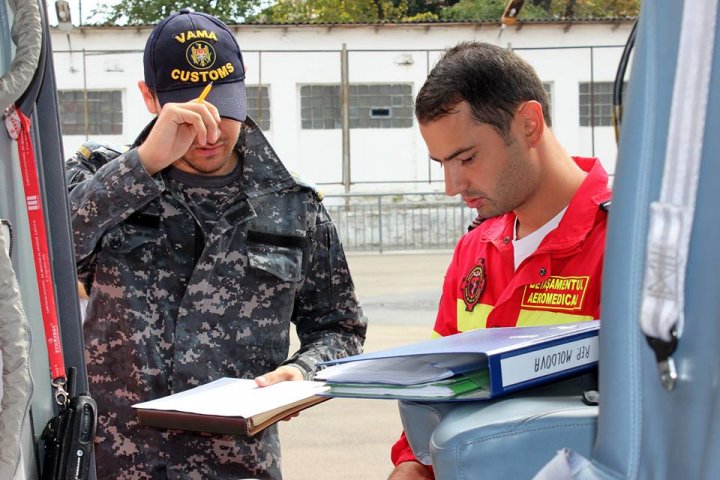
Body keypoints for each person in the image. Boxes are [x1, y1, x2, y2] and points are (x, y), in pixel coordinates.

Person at [65, 9, 367, 479]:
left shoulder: (294, 205)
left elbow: (341, 329)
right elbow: (42, 258)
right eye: (190, 111)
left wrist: (304, 371)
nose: (210, 131)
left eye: (224, 106)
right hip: (117, 463)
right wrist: (141, 166)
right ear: (150, 98)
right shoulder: (102, 182)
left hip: (237, 467)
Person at [388, 41, 611, 479]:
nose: (453, 186)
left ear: (528, 124)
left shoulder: (624, 248)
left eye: (466, 158)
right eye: (441, 164)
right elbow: (437, 393)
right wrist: (410, 466)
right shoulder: (474, 249)